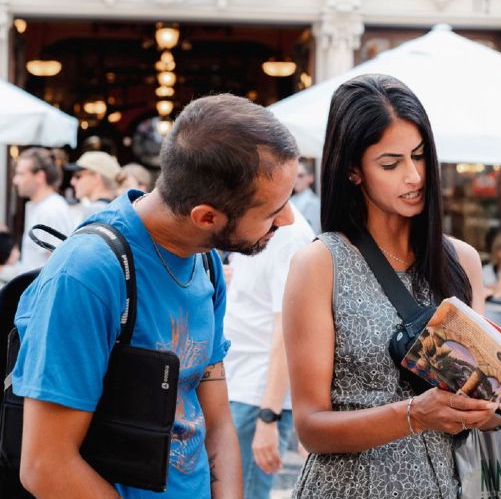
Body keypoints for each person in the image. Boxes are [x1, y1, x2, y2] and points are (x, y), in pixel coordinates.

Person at [12, 94, 300, 498]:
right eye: (273, 210)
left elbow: (215, 420)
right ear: (205, 217)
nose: (287, 219)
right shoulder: (87, 273)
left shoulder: (205, 262)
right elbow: (46, 465)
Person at [283, 74, 501, 499]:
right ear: (353, 170)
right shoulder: (319, 264)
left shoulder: (460, 260)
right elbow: (310, 428)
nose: (413, 176)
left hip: (447, 486)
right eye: (390, 164)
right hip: (349, 489)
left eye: (420, 156)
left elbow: (477, 408)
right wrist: (413, 414)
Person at [224, 203, 314, 499]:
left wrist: (268, 416)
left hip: (256, 393)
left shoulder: (289, 233)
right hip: (236, 383)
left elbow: (288, 330)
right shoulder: (254, 221)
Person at [12, 147, 74, 272]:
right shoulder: (42, 206)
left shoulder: (50, 210)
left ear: (39, 176)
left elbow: (58, 266)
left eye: (20, 174)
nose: (15, 180)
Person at [66, 151, 122, 219]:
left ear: (96, 177)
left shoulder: (95, 211)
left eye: (78, 176)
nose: (72, 181)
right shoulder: (118, 208)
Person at [289, 159, 321, 234]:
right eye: (294, 176)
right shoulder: (291, 199)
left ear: (310, 178)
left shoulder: (314, 203)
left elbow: (313, 232)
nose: (295, 180)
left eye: (300, 176)